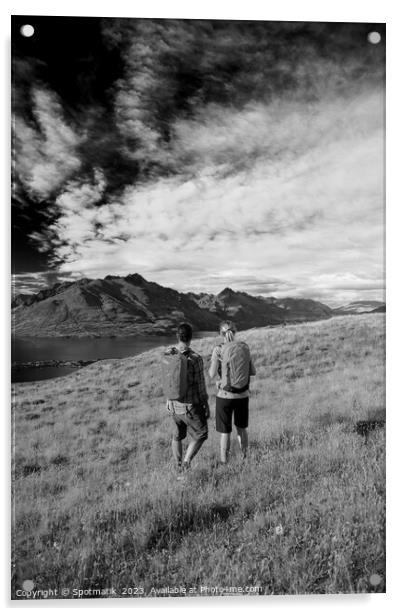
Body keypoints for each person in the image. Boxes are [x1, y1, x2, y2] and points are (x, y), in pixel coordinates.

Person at [165, 322, 210, 476]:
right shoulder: (195, 358)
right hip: (190, 407)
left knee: (177, 435)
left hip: (173, 405)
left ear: (177, 336)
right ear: (191, 337)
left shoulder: (169, 355)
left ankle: (177, 466)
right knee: (201, 433)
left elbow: (167, 380)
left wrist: (168, 400)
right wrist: (206, 404)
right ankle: (186, 463)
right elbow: (201, 385)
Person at [209, 321, 256, 464]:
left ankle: (225, 463)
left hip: (224, 396)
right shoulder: (244, 347)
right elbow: (253, 371)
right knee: (242, 429)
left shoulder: (218, 349)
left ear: (220, 334)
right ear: (235, 332)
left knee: (225, 432)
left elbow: (211, 374)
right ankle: (245, 458)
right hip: (242, 395)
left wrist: (219, 379)